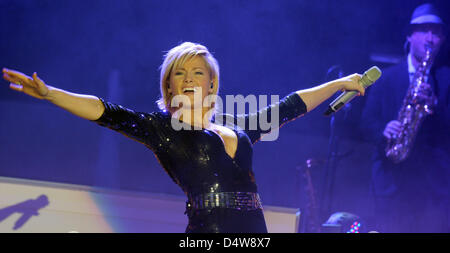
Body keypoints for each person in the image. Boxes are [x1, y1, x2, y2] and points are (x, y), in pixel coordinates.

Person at [3, 42, 365, 233]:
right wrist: (51, 93)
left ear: (211, 82)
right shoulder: (162, 130)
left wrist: (339, 84)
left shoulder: (237, 127)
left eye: (197, 71)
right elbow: (104, 111)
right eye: (180, 73)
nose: (189, 79)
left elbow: (291, 106)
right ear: (169, 84)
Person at [362, 3, 450, 233]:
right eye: (423, 30)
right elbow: (366, 122)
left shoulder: (446, 79)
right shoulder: (385, 78)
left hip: (431, 188)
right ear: (410, 35)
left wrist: (435, 106)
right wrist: (384, 130)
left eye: (436, 32)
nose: (430, 38)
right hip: (392, 185)